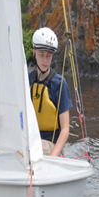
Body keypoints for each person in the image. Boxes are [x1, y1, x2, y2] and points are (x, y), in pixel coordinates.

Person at [29, 27, 72, 157]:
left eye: (49, 56)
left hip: (50, 144)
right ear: (34, 53)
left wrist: (53, 157)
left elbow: (65, 129)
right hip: (30, 140)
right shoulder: (27, 80)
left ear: (53, 56)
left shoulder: (59, 83)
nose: (45, 60)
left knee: (37, 151)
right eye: (41, 55)